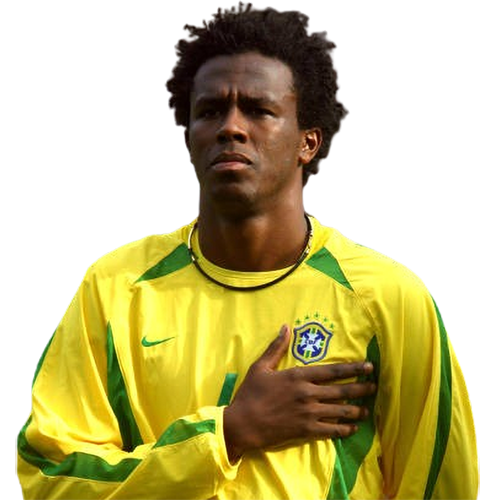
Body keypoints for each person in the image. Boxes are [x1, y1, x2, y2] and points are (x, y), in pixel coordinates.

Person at [16, 3, 479, 499]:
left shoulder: (387, 298)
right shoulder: (114, 289)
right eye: (209, 111)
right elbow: (48, 478)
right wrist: (228, 434)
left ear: (308, 142)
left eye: (259, 110)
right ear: (189, 136)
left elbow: (444, 485)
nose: (230, 127)